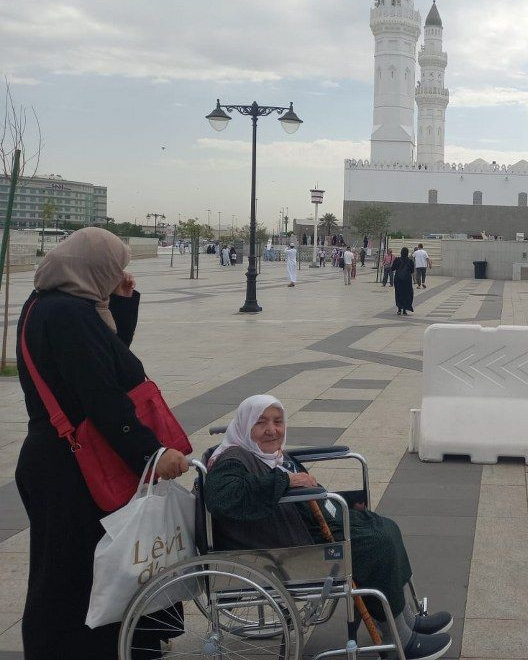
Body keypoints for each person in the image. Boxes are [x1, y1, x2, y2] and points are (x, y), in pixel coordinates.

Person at [15, 227, 190, 660]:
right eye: (116, 266)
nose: (122, 272)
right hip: (71, 466)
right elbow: (103, 396)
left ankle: (115, 643)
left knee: (73, 569)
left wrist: (121, 304)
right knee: (72, 576)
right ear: (94, 266)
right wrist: (151, 453)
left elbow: (107, 361)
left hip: (59, 457)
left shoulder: (47, 304)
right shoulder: (69, 316)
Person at [204, 396, 452, 660]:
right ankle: (400, 642)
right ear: (244, 426)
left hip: (303, 523)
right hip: (291, 542)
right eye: (260, 422)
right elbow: (221, 497)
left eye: (278, 422)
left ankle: (405, 620)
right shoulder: (233, 459)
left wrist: (285, 477)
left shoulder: (261, 454)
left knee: (386, 527)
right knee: (377, 543)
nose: (272, 430)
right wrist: (285, 480)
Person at [392, 247, 415, 315]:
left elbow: (393, 268)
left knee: (398, 293)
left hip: (398, 279)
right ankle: (405, 309)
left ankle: (399, 309)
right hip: (407, 280)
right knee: (407, 293)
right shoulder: (410, 261)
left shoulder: (397, 259)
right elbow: (412, 271)